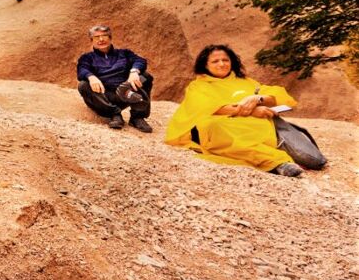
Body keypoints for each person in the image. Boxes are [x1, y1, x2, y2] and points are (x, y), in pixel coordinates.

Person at [165, 44, 310, 177]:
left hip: (253, 125)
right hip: (219, 126)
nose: (221, 64)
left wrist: (258, 99)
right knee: (217, 128)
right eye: (215, 61)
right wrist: (252, 111)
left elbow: (276, 96)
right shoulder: (198, 86)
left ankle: (273, 151)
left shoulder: (245, 81)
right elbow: (209, 107)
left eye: (225, 60)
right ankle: (277, 163)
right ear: (205, 65)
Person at [75, 25, 154, 132]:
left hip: (126, 93)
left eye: (104, 36)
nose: (101, 39)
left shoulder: (124, 53)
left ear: (110, 38)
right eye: (96, 37)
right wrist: (91, 77)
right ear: (91, 40)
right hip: (104, 97)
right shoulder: (87, 58)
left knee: (145, 77)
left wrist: (134, 71)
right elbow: (82, 70)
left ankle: (137, 118)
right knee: (83, 85)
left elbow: (140, 60)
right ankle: (115, 115)